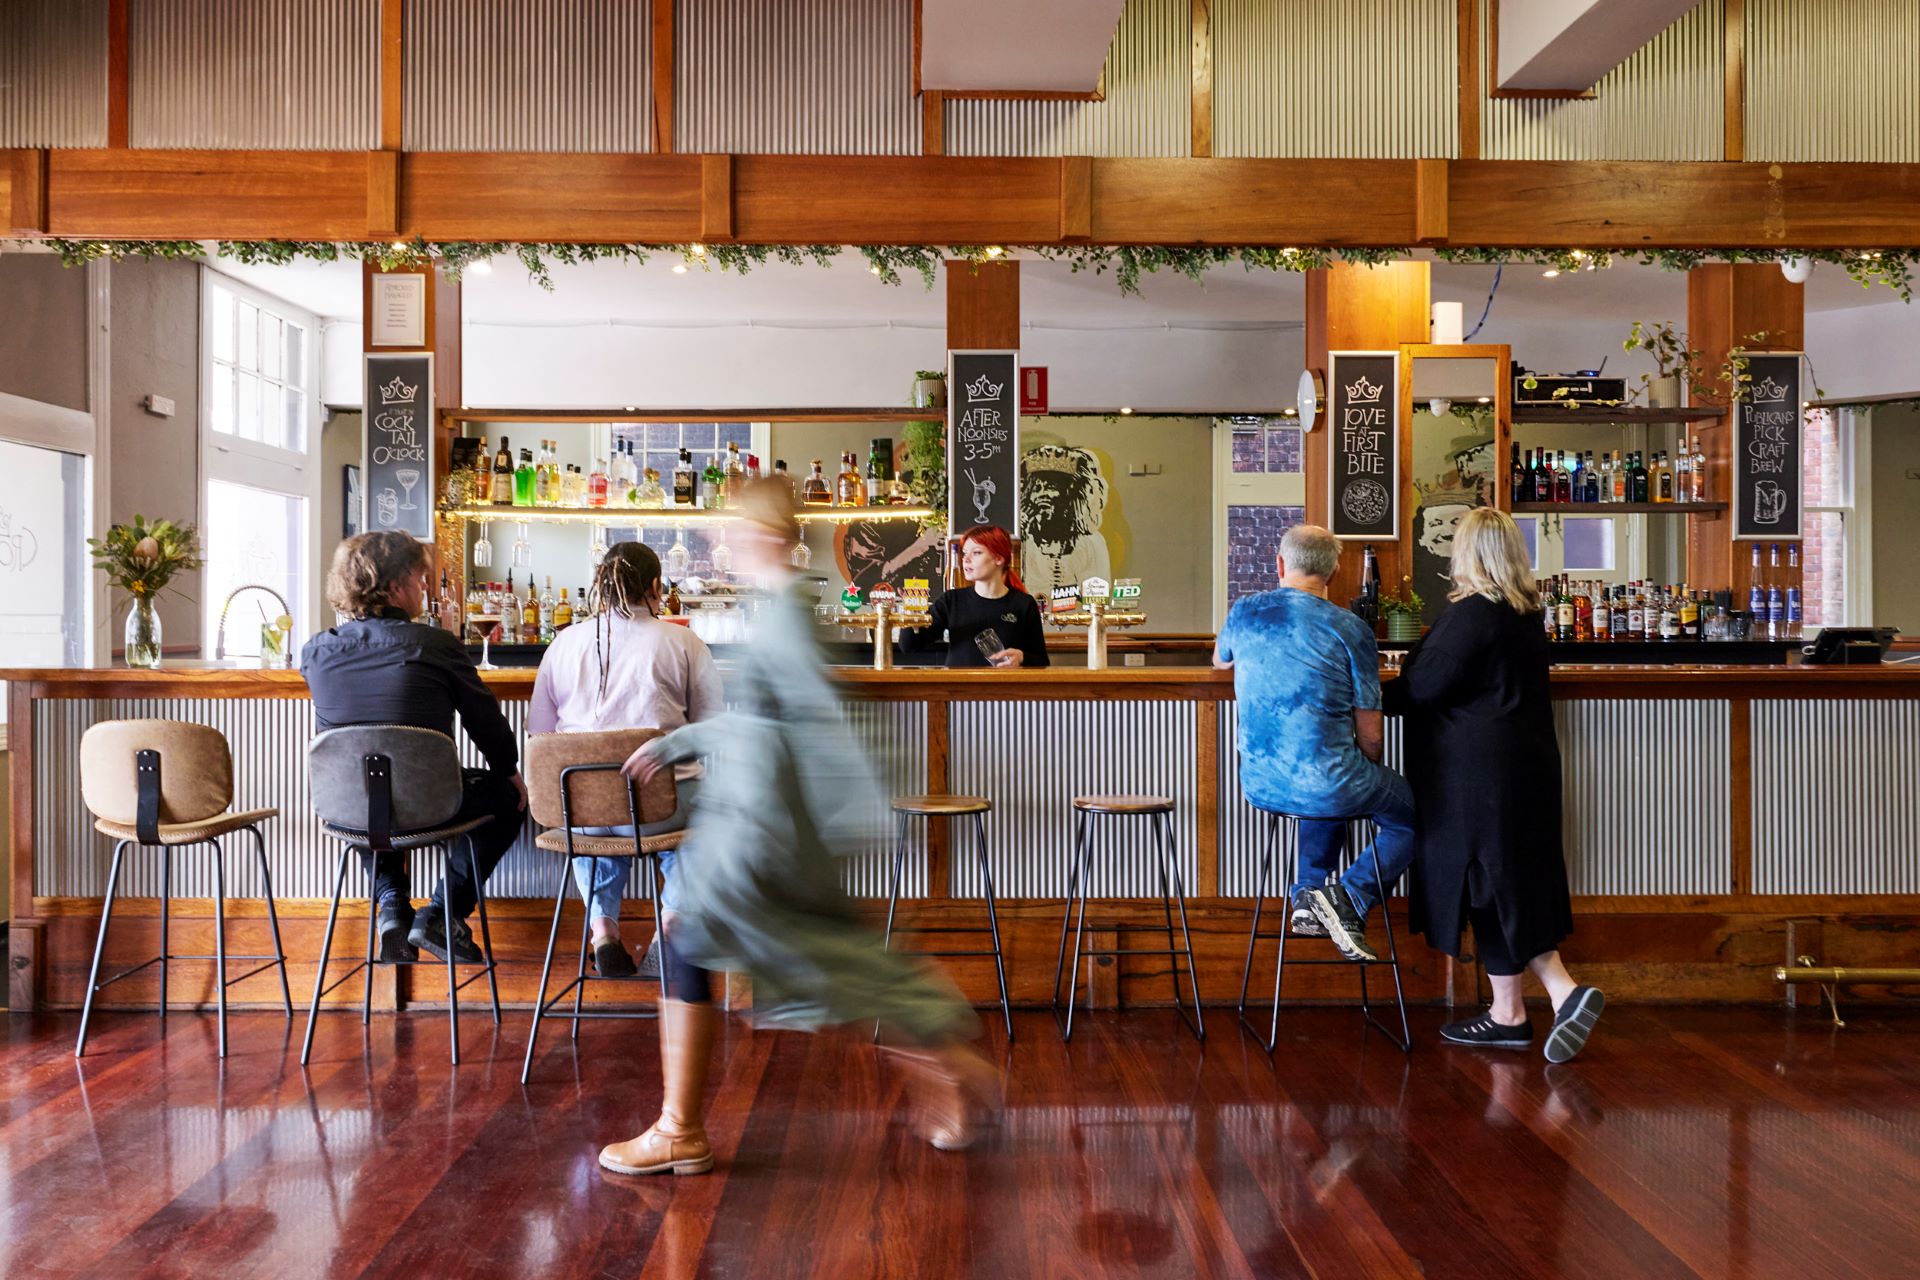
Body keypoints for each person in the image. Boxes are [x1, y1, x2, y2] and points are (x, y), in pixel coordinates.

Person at [599, 479, 997, 1178]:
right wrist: (683, 742)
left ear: (769, 537)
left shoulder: (783, 616)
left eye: (736, 529)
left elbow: (813, 725)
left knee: (712, 941)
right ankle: (951, 1062)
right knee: (821, 958)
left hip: (763, 831)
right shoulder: (784, 609)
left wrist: (829, 816)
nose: (726, 540)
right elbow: (773, 719)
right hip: (771, 826)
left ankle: (679, 1129)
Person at [1383, 508, 1603, 1062]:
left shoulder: (1473, 616)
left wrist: (1363, 695)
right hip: (1524, 768)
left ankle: (1563, 991)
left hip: (1474, 775)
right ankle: (1509, 1012)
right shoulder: (1524, 614)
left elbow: (1422, 689)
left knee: (1488, 882)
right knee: (1498, 879)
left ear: (1466, 554)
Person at [302, 531, 526, 965]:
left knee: (366, 791)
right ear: (393, 586)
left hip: (344, 805)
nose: (426, 587)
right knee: (505, 796)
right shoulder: (436, 645)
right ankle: (443, 914)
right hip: (433, 803)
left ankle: (391, 907)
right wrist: (510, 770)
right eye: (418, 577)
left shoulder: (316, 652)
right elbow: (487, 724)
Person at [1213, 523, 1415, 963]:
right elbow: (1371, 730)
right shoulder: (1350, 628)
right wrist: (1368, 762)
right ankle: (1351, 894)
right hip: (1327, 782)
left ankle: (1308, 899)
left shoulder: (1245, 611)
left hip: (1260, 783)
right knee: (1415, 815)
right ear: (1335, 571)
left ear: (1280, 563)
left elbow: (1220, 659)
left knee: (1326, 780)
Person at [528, 541, 722, 979]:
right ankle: (672, 921)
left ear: (601, 583)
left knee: (594, 810)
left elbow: (539, 734)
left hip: (583, 813)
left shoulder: (563, 644)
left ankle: (603, 931)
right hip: (661, 811)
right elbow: (711, 732)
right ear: (656, 587)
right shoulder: (683, 642)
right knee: (710, 815)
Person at [899, 524, 1050, 669]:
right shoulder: (951, 601)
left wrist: (1022, 657)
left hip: (1004, 691)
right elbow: (909, 646)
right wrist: (911, 612)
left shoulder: (1023, 604)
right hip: (959, 690)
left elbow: (1042, 661)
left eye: (976, 552)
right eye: (964, 553)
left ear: (999, 558)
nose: (965, 559)